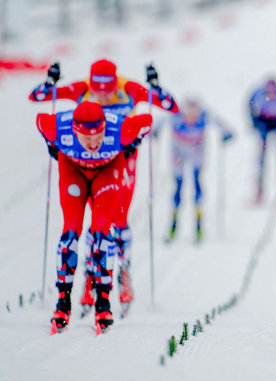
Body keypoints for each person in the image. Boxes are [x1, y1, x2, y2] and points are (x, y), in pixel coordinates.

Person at [29, 59, 177, 315]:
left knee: (115, 219)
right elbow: (38, 97)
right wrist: (50, 82)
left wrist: (155, 85)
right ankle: (89, 277)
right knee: (85, 221)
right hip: (81, 159)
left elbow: (169, 106)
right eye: (98, 92)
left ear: (114, 83)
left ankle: (123, 272)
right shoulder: (80, 89)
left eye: (108, 91)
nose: (104, 97)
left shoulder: (128, 89)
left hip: (122, 159)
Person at [36, 101, 152, 333]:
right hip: (73, 171)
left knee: (101, 231)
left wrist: (134, 143)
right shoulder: (58, 126)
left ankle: (103, 304)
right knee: (71, 231)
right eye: (86, 139)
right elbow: (40, 120)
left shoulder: (121, 128)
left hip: (107, 172)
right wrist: (50, 143)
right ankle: (63, 302)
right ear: (74, 131)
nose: (93, 144)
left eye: (98, 136)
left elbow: (147, 122)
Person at [160, 97, 234, 242]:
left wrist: (227, 133)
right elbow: (157, 121)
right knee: (178, 187)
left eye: (194, 115)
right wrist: (151, 132)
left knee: (196, 184)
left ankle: (199, 225)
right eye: (188, 114)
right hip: (178, 153)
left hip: (196, 153)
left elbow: (220, 123)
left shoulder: (204, 115)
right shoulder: (175, 115)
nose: (191, 118)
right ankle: (173, 224)